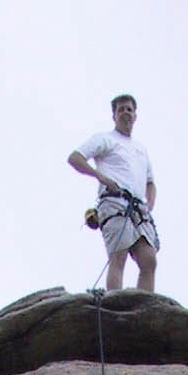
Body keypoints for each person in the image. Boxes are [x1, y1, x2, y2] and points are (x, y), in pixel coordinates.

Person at [68, 94, 159, 292]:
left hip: (138, 209)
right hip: (114, 203)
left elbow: (150, 182)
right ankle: (115, 304)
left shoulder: (140, 149)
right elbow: (75, 158)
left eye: (129, 109)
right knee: (119, 254)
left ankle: (143, 306)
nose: (126, 113)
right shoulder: (105, 139)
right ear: (114, 116)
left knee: (149, 260)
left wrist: (149, 205)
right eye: (121, 109)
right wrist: (101, 177)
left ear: (135, 116)